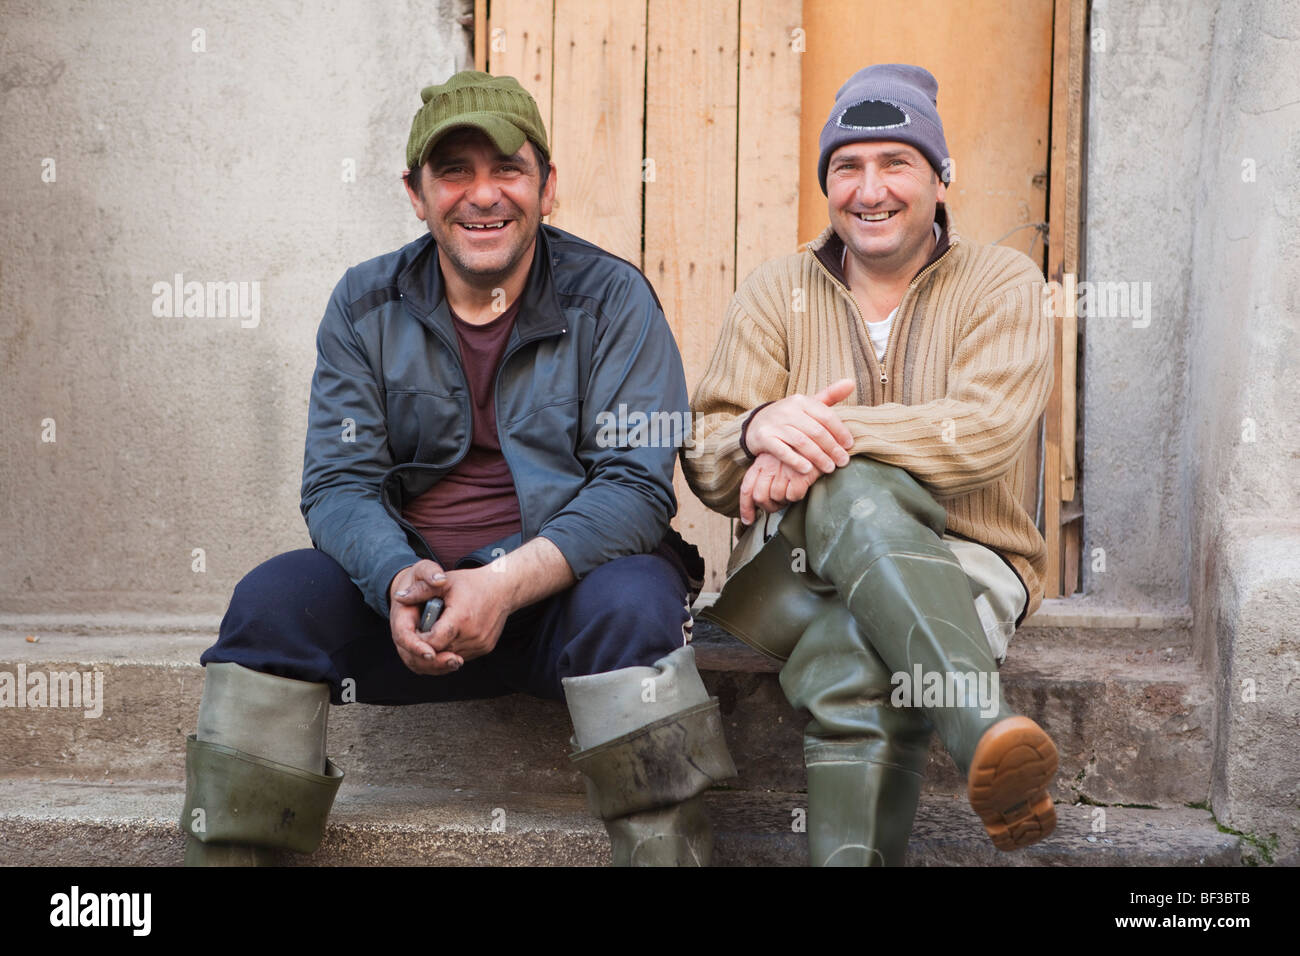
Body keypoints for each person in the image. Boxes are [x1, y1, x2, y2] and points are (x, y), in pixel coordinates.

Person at [180, 70, 735, 867]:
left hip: (559, 606)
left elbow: (636, 490)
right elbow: (337, 482)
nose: (483, 195)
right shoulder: (365, 305)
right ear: (416, 193)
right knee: (271, 603)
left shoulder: (613, 299)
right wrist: (400, 579)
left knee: (635, 603)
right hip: (412, 612)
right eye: (454, 172)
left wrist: (501, 584)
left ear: (547, 187)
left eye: (507, 168)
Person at [682, 63, 1058, 866]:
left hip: (967, 562)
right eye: (847, 166)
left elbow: (984, 431)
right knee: (849, 488)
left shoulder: (1003, 282)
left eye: (896, 163)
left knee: (854, 655)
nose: (870, 188)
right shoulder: (774, 290)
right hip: (796, 570)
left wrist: (814, 432)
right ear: (828, 185)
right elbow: (707, 458)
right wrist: (753, 431)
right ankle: (979, 724)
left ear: (940, 178)